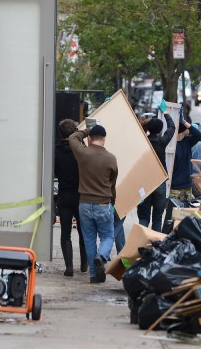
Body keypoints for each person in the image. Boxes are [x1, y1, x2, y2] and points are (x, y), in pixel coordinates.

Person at [69, 124, 118, 284]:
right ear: (104, 138)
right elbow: (112, 184)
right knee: (108, 235)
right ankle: (102, 256)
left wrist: (86, 130)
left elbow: (72, 137)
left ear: (90, 138)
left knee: (89, 239)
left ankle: (94, 275)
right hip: (103, 203)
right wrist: (112, 203)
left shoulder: (83, 153)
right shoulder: (111, 158)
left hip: (84, 203)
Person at [54, 119, 87, 276]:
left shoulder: (56, 151)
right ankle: (84, 265)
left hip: (64, 195)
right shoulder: (80, 150)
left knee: (65, 232)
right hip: (81, 195)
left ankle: (68, 267)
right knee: (83, 231)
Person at [137, 100, 176, 232]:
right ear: (160, 131)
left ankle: (139, 242)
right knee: (157, 218)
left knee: (143, 217)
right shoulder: (161, 141)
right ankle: (155, 246)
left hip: (144, 184)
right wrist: (165, 112)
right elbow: (172, 127)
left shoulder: (143, 143)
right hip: (159, 182)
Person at [170, 115, 201, 201]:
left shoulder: (187, 142)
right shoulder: (170, 146)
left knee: (185, 213)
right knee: (172, 212)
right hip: (174, 188)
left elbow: (198, 135)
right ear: (184, 130)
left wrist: (184, 122)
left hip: (187, 186)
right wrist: (184, 122)